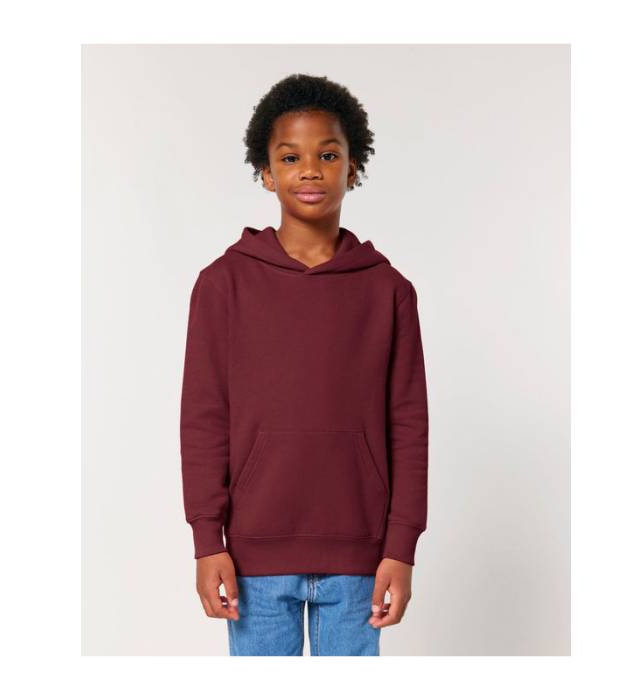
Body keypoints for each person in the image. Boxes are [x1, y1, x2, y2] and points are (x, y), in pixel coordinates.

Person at [180, 73, 429, 656]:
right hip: (254, 562)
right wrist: (206, 540)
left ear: (353, 168)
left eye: (328, 155)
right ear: (266, 173)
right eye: (291, 157)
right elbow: (204, 418)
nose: (310, 170)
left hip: (360, 562)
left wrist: (401, 547)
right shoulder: (223, 285)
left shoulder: (388, 291)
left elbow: (409, 425)